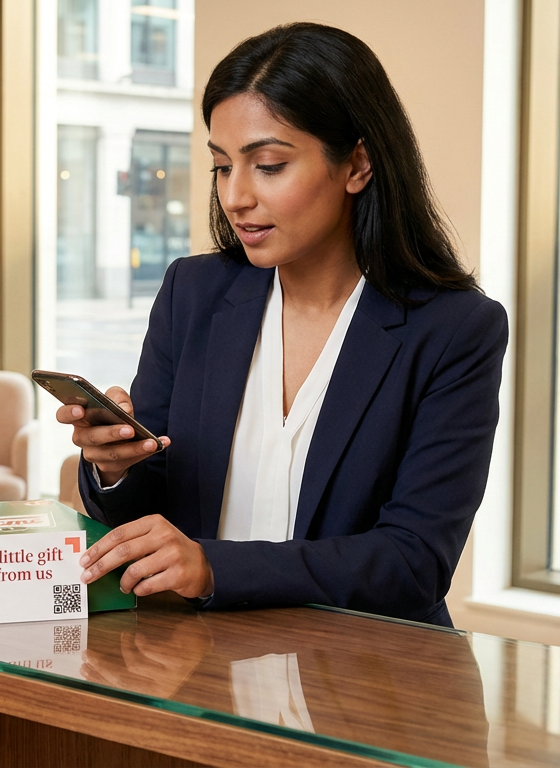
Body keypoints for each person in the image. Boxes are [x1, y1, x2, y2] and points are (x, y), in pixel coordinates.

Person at [57, 23, 508, 627]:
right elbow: (151, 514)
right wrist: (115, 467)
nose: (235, 197)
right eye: (222, 167)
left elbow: (414, 561)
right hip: (196, 659)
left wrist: (215, 569)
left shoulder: (456, 329)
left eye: (268, 165)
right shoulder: (193, 293)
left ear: (358, 163)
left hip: (364, 669)